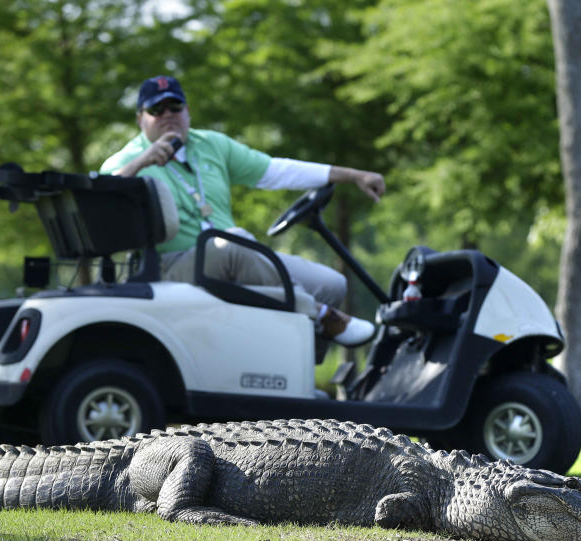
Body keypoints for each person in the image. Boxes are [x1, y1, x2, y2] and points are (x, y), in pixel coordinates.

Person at [100, 75, 385, 347]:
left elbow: (276, 171)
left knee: (332, 284)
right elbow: (102, 201)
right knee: (233, 243)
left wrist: (352, 175)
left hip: (232, 254)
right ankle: (322, 315)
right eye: (156, 109)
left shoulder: (211, 144)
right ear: (140, 119)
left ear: (187, 111)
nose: (168, 114)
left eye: (175, 106)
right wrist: (142, 162)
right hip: (169, 266)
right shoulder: (127, 159)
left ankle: (303, 384)